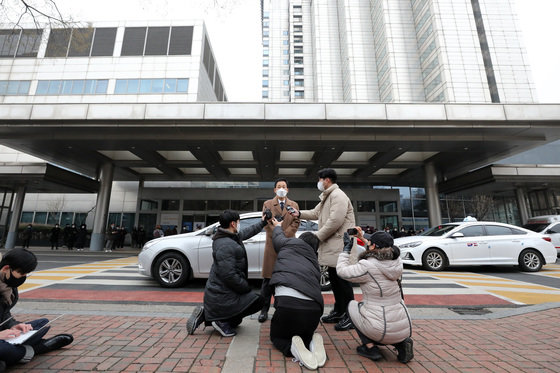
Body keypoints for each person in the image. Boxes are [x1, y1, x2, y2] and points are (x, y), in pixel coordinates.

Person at [288, 168, 356, 331]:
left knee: (343, 282)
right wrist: (298, 213)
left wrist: (317, 236)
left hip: (341, 246)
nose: (318, 182)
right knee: (335, 280)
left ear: (326, 180)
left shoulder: (338, 196)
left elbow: (335, 221)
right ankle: (339, 311)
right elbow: (315, 213)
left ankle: (351, 316)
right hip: (333, 246)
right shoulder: (328, 196)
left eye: (319, 179)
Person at [186, 209, 269, 337]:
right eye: (238, 222)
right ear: (233, 224)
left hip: (222, 293)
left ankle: (207, 315)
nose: (239, 225)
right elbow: (229, 275)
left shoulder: (228, 236)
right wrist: (245, 287)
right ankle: (220, 321)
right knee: (258, 300)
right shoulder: (226, 245)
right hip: (221, 294)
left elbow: (246, 232)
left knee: (236, 321)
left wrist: (262, 223)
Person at [336, 229, 414, 364]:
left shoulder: (367, 266)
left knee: (353, 306)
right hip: (403, 327)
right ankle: (401, 344)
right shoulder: (396, 260)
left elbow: (342, 271)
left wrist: (345, 251)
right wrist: (364, 238)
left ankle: (370, 348)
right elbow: (379, 250)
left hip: (380, 329)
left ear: (374, 247)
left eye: (370, 242)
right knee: (386, 319)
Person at [0, 249, 73, 368]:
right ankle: (37, 348)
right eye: (22, 273)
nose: (23, 278)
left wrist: (13, 325)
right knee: (3, 350)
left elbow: (4, 314)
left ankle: (14, 353)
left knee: (40, 324)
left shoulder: (9, 287)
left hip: (4, 334)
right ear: (6, 268)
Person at [268, 219, 326, 370]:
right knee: (303, 332)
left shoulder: (287, 244)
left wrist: (278, 226)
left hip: (287, 307)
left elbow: (277, 237)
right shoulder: (315, 261)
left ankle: (292, 348)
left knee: (277, 337)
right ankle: (310, 342)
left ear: (300, 240)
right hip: (314, 311)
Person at [259, 178, 300, 323]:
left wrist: (284, 235)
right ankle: (264, 310)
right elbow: (265, 223)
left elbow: (296, 222)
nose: (281, 188)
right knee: (267, 281)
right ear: (275, 190)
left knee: (285, 280)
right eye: (279, 186)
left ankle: (280, 309)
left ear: (287, 189)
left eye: (284, 186)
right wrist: (277, 232)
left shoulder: (294, 205)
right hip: (272, 246)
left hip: (287, 246)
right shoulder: (268, 204)